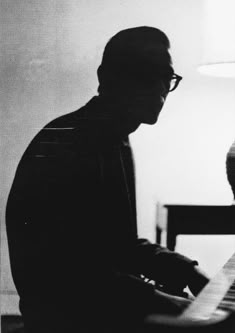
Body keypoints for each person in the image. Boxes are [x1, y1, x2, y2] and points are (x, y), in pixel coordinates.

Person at [6, 26, 218, 333]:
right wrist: (167, 302)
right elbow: (71, 277)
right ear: (108, 77)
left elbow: (118, 247)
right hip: (66, 318)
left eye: (166, 76)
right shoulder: (66, 145)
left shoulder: (114, 138)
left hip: (98, 303)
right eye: (148, 73)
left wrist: (188, 271)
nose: (160, 86)